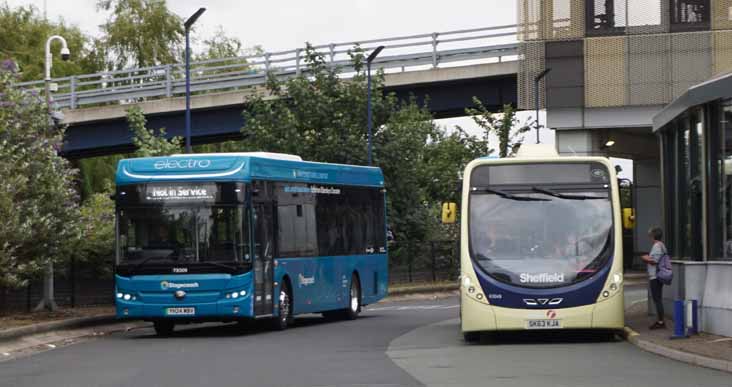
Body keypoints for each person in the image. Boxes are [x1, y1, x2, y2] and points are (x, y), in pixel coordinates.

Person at [641, 226, 667, 330]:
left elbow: (654, 261)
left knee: (657, 299)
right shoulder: (661, 245)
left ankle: (660, 322)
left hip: (655, 276)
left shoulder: (657, 246)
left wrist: (645, 258)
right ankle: (660, 320)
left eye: (650, 235)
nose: (649, 237)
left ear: (653, 236)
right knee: (658, 299)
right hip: (658, 275)